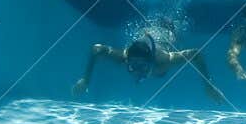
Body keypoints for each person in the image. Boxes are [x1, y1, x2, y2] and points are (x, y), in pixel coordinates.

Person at [73, 31, 226, 103]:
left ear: (151, 62)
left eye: (142, 66)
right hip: (147, 38)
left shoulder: (163, 61)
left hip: (167, 34)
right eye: (133, 65)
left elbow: (196, 54)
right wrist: (85, 79)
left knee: (173, 34)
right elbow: (97, 49)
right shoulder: (124, 57)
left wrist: (209, 85)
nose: (138, 70)